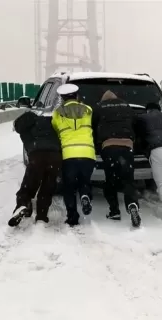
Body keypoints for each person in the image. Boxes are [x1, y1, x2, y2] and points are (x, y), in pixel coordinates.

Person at [92, 90, 141, 227]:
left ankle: (114, 211)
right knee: (128, 179)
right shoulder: (126, 106)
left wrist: (97, 143)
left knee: (110, 180)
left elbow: (93, 127)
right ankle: (132, 205)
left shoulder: (99, 107)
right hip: (127, 146)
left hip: (109, 146)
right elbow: (136, 124)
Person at [8, 107, 62, 227]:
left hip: (37, 157)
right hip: (56, 156)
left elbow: (30, 147)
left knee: (29, 185)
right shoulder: (47, 121)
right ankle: (42, 216)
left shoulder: (24, 130)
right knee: (47, 187)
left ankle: (22, 204)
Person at [51, 83, 96, 227]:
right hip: (87, 153)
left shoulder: (57, 113)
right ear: (77, 96)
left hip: (68, 155)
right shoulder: (88, 110)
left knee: (69, 187)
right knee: (85, 181)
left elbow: (56, 131)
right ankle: (85, 195)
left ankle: (72, 217)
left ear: (62, 98)